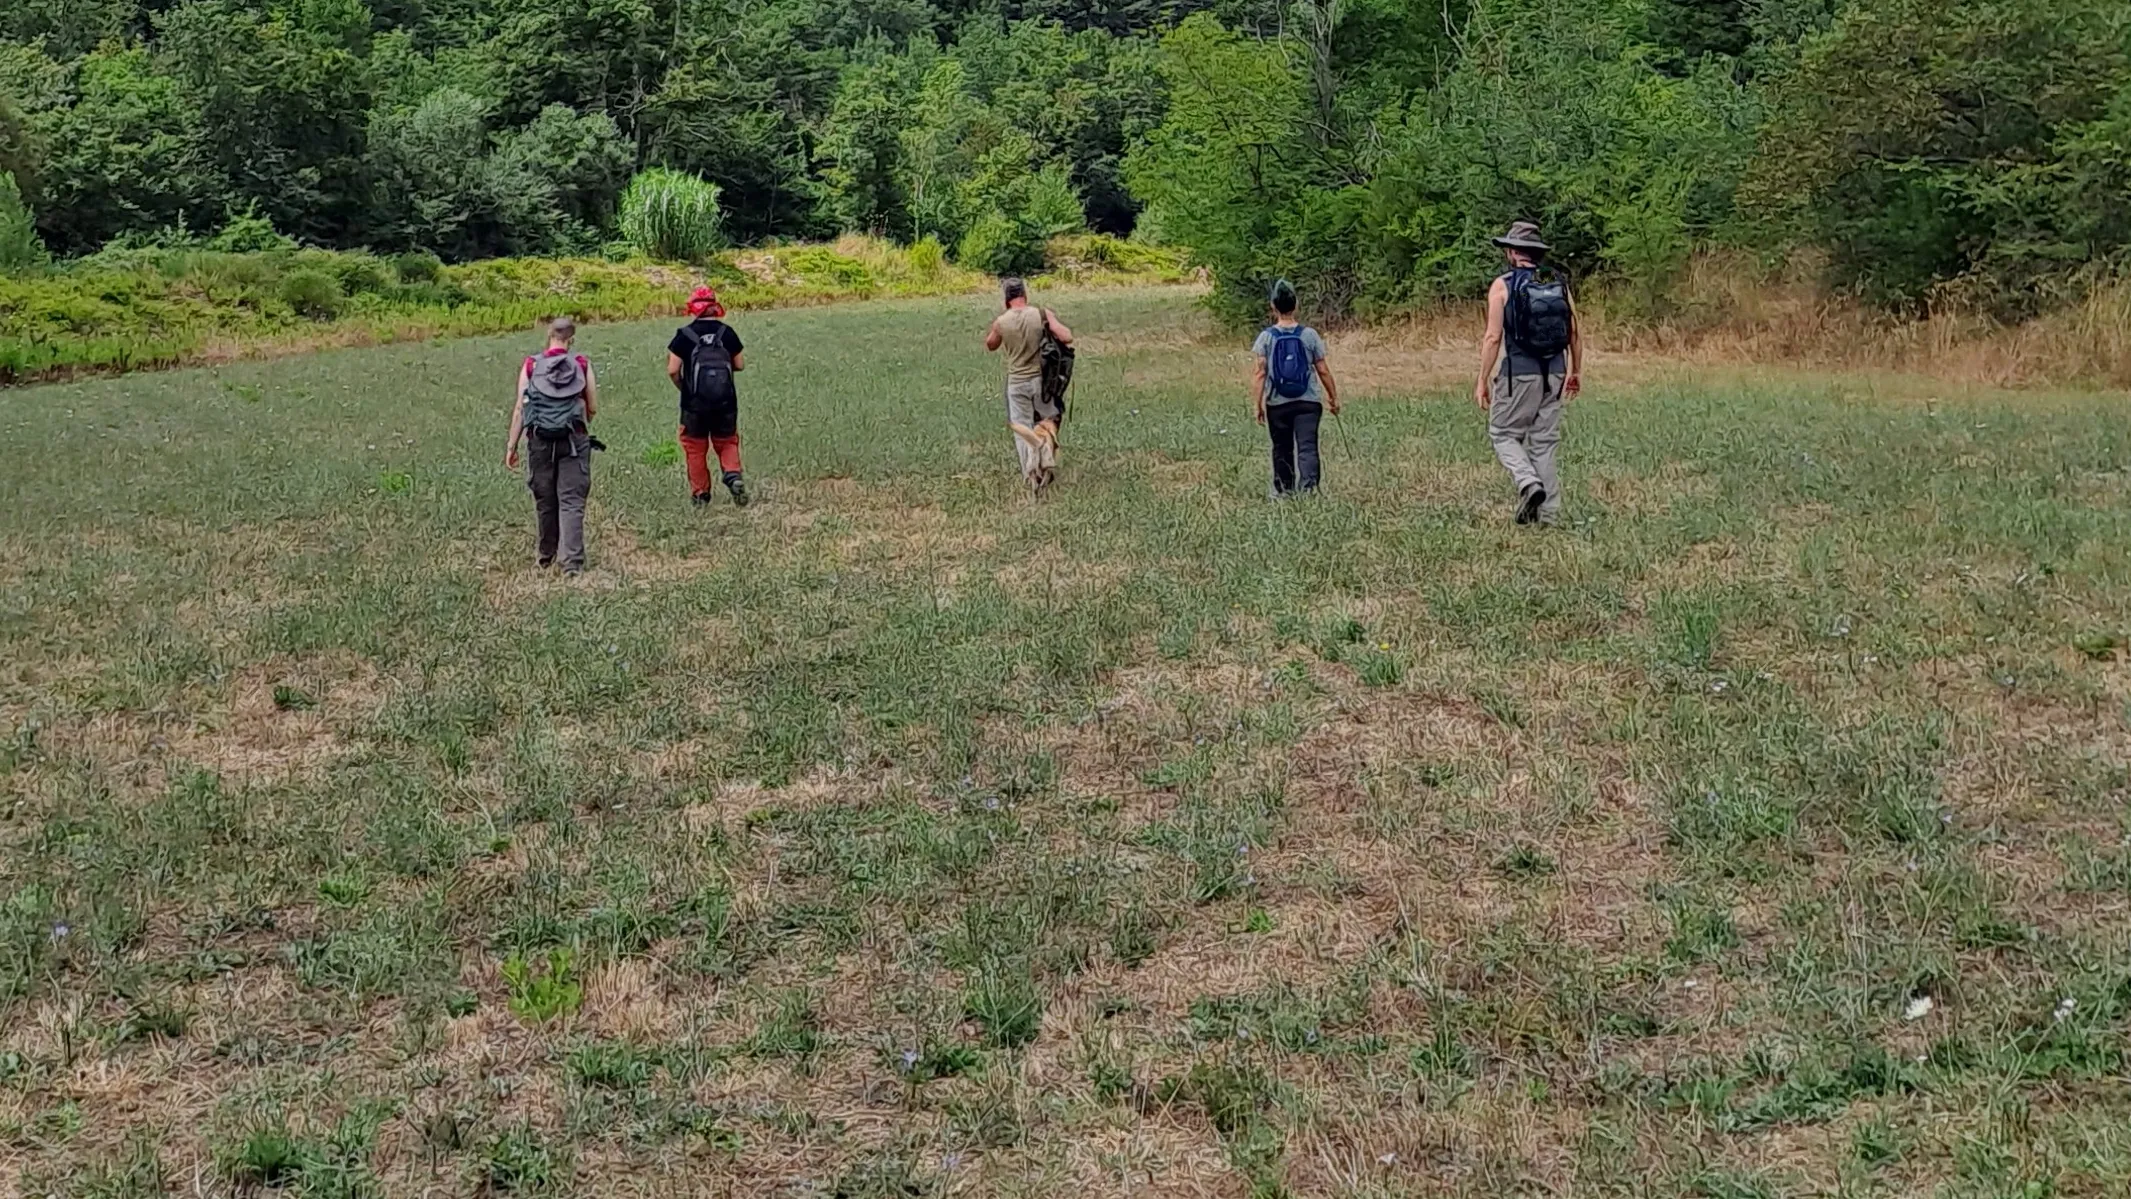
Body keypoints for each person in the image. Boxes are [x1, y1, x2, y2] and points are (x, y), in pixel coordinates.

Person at [1474, 220, 1582, 525]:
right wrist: (1576, 371)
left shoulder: (1503, 285)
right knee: (1544, 441)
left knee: (1503, 433)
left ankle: (1528, 483)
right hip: (1556, 372)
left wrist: (1482, 379)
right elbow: (1574, 332)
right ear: (1536, 253)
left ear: (1511, 251)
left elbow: (1493, 337)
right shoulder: (1555, 279)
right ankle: (1548, 515)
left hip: (1519, 373)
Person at [504, 317, 598, 574]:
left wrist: (512, 445)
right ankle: (572, 565)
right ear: (572, 338)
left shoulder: (532, 365)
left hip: (539, 440)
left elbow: (520, 409)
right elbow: (592, 407)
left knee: (545, 499)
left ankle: (546, 556)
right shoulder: (581, 363)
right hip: (574, 440)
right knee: (571, 500)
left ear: (549, 335)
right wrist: (581, 421)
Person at [984, 277, 1074, 493]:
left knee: (1022, 428)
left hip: (1017, 383)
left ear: (1006, 298)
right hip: (1041, 382)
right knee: (1047, 424)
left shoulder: (1001, 322)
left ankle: (1030, 474)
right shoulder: (1041, 314)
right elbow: (1067, 337)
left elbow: (990, 344)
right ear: (1025, 294)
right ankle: (1047, 463)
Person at [1251, 279, 1339, 497]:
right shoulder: (1309, 335)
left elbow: (1260, 373)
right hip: (1308, 402)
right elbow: (1323, 369)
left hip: (1277, 403)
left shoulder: (1266, 338)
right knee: (1307, 446)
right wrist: (1333, 397)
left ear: (1273, 307)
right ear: (1296, 305)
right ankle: (1309, 489)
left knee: (1281, 447)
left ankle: (1284, 490)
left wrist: (1258, 404)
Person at [667, 286, 749, 507]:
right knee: (727, 441)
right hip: (725, 403)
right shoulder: (727, 333)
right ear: (715, 306)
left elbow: (673, 370)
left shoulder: (683, 335)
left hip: (693, 405)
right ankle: (733, 475)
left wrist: (684, 387)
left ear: (693, 307)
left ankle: (700, 494)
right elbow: (739, 364)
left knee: (695, 447)